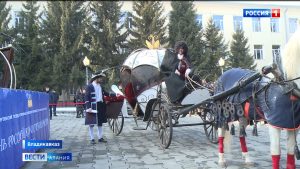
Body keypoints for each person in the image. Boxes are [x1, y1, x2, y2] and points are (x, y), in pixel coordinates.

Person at [85, 72, 110, 144]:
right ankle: (92, 138)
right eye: (100, 78)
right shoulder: (89, 86)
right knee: (91, 123)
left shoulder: (100, 86)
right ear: (96, 78)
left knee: (100, 122)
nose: (101, 79)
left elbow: (105, 93)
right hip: (92, 106)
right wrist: (88, 107)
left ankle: (100, 137)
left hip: (100, 105)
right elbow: (86, 97)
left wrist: (115, 94)